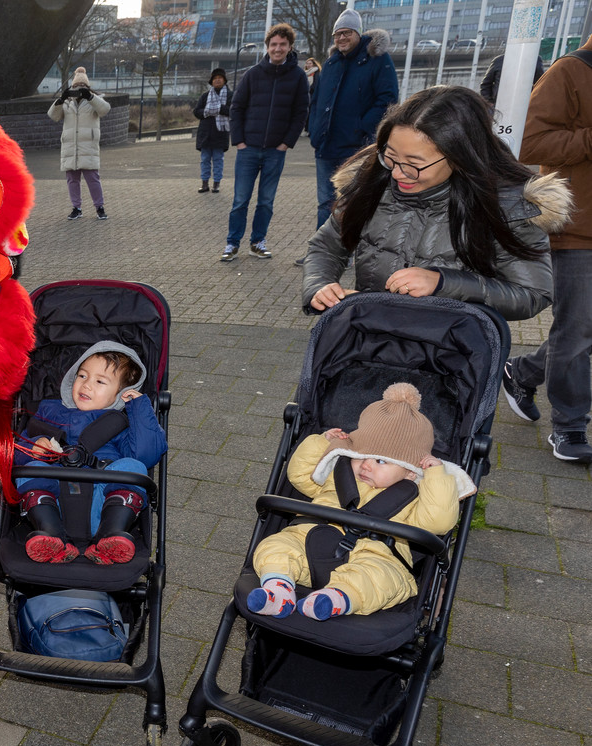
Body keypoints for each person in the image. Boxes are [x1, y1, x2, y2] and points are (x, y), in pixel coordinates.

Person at [303, 85, 571, 322]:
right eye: (391, 156)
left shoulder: (508, 207)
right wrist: (320, 286)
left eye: (414, 165)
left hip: (449, 356)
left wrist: (444, 282)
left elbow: (532, 294)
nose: (397, 173)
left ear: (460, 156)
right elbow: (326, 247)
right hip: (367, 340)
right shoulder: (372, 182)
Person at [245, 383, 468, 620]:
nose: (366, 465)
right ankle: (278, 590)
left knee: (382, 578)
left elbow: (439, 521)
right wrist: (323, 443)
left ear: (410, 472)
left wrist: (435, 477)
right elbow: (299, 474)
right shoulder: (338, 475)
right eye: (361, 456)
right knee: (276, 546)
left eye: (381, 462)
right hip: (309, 539)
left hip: (374, 553)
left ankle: (336, 598)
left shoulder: (414, 497)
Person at [502, 36, 592, 464]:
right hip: (578, 227)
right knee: (575, 330)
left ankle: (523, 372)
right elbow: (526, 143)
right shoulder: (571, 71)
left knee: (584, 330)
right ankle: (571, 427)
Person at [14, 342, 167, 565]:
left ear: (120, 393)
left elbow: (145, 454)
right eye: (82, 376)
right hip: (51, 505)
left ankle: (111, 535)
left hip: (103, 505)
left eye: (99, 381)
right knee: (29, 469)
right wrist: (35, 446)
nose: (86, 385)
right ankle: (50, 536)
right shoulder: (49, 411)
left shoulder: (120, 423)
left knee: (134, 468)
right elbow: (18, 450)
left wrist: (140, 409)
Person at [304, 9, 398, 260]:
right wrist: (313, 130)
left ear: (358, 33)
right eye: (337, 34)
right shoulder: (332, 64)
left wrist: (362, 127)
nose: (341, 38)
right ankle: (322, 254)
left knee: (356, 201)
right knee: (325, 202)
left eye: (346, 32)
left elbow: (387, 101)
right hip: (326, 146)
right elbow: (315, 101)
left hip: (357, 146)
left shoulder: (377, 59)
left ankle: (354, 252)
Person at [221, 23, 310, 262]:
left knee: (266, 202)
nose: (277, 49)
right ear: (267, 47)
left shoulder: (298, 77)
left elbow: (301, 112)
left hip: (275, 151)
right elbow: (236, 107)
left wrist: (285, 144)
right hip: (248, 149)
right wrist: (238, 141)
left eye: (282, 44)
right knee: (240, 200)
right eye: (273, 44)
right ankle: (232, 243)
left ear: (290, 46)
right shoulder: (253, 74)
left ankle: (257, 242)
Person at [49, 67, 111, 220]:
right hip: (70, 147)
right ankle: (76, 207)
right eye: (76, 86)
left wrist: (90, 97)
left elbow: (105, 109)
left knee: (93, 179)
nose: (79, 89)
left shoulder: (94, 100)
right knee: (72, 179)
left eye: (82, 86)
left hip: (88, 147)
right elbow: (53, 116)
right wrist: (60, 100)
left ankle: (99, 207)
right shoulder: (67, 102)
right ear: (72, 86)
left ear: (87, 87)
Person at [193, 68, 231, 194]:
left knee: (218, 160)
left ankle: (216, 184)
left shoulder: (231, 96)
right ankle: (204, 184)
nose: (217, 80)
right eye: (215, 79)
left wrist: (219, 109)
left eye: (220, 78)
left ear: (224, 80)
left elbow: (233, 111)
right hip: (206, 134)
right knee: (204, 160)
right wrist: (206, 112)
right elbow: (196, 112)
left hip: (220, 133)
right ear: (211, 82)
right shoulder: (205, 96)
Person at [479, 53, 545, 106]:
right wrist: (488, 102)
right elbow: (486, 84)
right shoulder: (499, 61)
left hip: (524, 104)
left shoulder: (535, 59)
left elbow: (540, 83)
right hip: (499, 104)